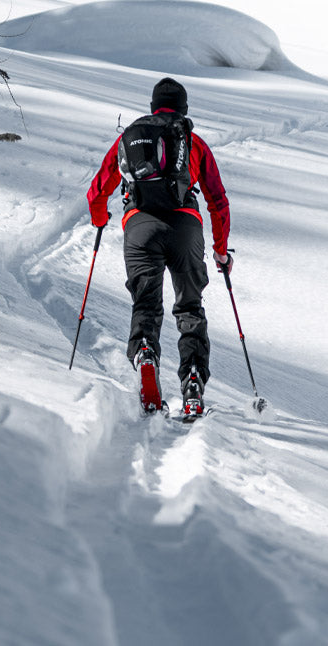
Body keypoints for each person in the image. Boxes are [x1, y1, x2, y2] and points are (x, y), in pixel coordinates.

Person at [86, 78, 232, 417]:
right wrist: (221, 250)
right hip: (185, 228)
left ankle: (146, 354)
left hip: (139, 227)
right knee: (190, 307)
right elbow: (217, 200)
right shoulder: (192, 142)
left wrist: (99, 218)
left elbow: (98, 190)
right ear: (183, 109)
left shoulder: (130, 140)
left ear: (153, 107)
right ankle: (193, 379)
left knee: (146, 304)